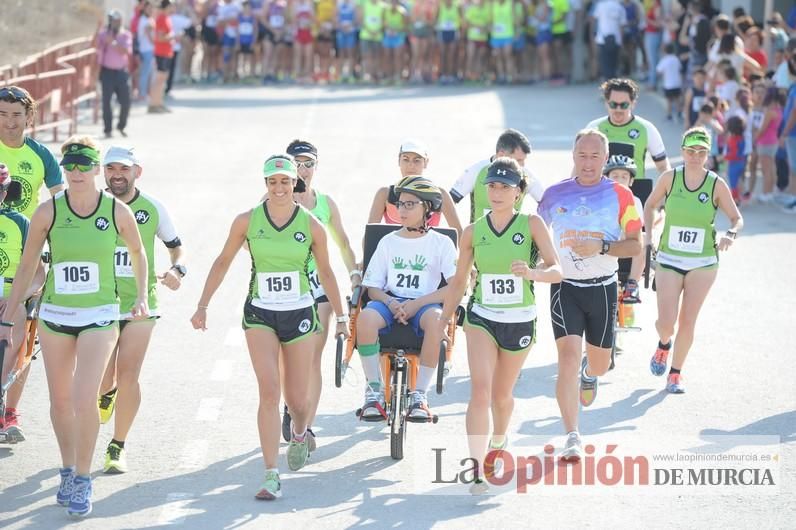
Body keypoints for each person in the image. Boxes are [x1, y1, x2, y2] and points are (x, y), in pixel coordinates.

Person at [0, 136, 149, 517]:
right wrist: (8, 317)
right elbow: (27, 267)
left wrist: (141, 296)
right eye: (70, 165)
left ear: (97, 169)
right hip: (55, 317)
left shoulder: (115, 211)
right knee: (60, 402)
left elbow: (138, 251)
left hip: (99, 315)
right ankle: (68, 468)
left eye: (84, 165)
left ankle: (83, 478)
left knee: (85, 400)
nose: (77, 172)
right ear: (64, 169)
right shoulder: (48, 212)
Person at [190, 155, 348, 500]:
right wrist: (202, 305)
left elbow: (327, 273)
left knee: (298, 398)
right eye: (272, 182)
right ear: (265, 185)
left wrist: (341, 316)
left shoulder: (311, 225)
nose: (278, 188)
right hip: (260, 313)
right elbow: (222, 261)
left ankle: (301, 431)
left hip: (300, 314)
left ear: (295, 185)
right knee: (269, 392)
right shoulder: (247, 221)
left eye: (285, 182)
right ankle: (270, 474)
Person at [438, 158, 561, 494]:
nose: (496, 192)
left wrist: (532, 273)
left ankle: (499, 438)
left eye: (505, 186)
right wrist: (443, 319)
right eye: (492, 185)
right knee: (480, 391)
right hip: (482, 317)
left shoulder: (532, 224)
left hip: (519, 320)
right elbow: (460, 280)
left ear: (519, 193)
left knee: (501, 396)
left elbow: (557, 270)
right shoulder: (472, 232)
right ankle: (477, 468)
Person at [537, 129, 642, 462]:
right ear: (573, 155)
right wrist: (537, 263)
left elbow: (635, 245)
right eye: (582, 155)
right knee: (566, 357)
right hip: (565, 288)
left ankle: (590, 373)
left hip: (603, 288)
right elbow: (534, 237)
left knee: (598, 364)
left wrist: (602, 246)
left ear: (605, 158)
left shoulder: (622, 195)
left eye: (595, 156)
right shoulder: (554, 195)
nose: (588, 162)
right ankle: (572, 435)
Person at [96, 145, 185, 474]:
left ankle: (117, 445)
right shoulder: (93, 205)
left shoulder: (152, 208)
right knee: (104, 375)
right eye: (111, 169)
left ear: (137, 171)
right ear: (103, 171)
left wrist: (178, 271)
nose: (117, 175)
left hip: (140, 304)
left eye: (124, 168)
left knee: (130, 373)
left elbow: (177, 249)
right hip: (99, 304)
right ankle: (107, 392)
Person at [644, 127, 743, 393]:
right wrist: (648, 236)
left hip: (703, 262)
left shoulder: (716, 184)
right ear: (683, 151)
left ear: (707, 154)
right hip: (669, 258)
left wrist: (731, 234)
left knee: (688, 320)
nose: (695, 156)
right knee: (666, 323)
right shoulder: (670, 178)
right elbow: (650, 204)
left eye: (701, 152)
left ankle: (675, 374)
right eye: (690, 151)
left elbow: (736, 217)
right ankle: (664, 344)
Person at [278, 140, 360, 449]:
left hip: (318, 287)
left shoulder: (325, 204)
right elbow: (250, 240)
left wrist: (354, 276)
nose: (302, 169)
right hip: (285, 290)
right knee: (287, 361)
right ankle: (292, 406)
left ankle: (307, 427)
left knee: (312, 359)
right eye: (296, 163)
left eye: (308, 163)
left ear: (316, 166)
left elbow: (344, 243)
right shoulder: (273, 197)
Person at [357, 177, 456, 420]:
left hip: (424, 304)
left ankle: (420, 395)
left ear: (427, 209)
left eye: (410, 204)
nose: (402, 210)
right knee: (366, 318)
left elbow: (455, 287)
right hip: (390, 301)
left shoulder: (441, 243)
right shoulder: (388, 242)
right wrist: (391, 302)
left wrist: (416, 304)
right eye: (400, 204)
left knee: (436, 319)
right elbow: (372, 288)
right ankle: (374, 392)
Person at [0, 163, 45, 444]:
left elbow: (39, 273)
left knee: (15, 312)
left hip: (11, 299)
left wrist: (16, 296)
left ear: (6, 192)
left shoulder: (20, 223)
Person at [585, 78, 669, 200]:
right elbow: (580, 165)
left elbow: (663, 167)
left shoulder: (647, 128)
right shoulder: (594, 128)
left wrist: (664, 196)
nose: (618, 109)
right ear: (606, 103)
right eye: (613, 104)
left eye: (624, 105)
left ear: (633, 103)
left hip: (636, 193)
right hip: (600, 193)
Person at [367, 140, 462, 234]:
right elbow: (368, 238)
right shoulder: (384, 194)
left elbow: (459, 235)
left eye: (417, 160)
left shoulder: (439, 194)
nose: (411, 165)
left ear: (426, 163)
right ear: (398, 161)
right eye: (405, 159)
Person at [451, 129, 544, 223]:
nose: (523, 165)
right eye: (518, 160)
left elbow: (548, 202)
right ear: (501, 155)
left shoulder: (525, 174)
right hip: (479, 236)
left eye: (524, 160)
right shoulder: (476, 171)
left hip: (511, 236)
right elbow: (448, 201)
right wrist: (459, 231)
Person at [0, 86, 65, 221]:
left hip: (28, 238)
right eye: (3, 114)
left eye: (16, 115)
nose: (10, 122)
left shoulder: (43, 155)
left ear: (29, 117)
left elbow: (60, 203)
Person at [603, 154, 644, 303]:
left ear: (631, 181)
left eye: (624, 177)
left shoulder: (635, 201)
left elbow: (636, 230)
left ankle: (632, 285)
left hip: (626, 242)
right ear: (606, 178)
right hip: (604, 242)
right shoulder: (601, 199)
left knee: (642, 240)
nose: (619, 181)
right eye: (615, 176)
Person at [95, 9, 133, 139]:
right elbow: (94, 46)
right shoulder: (103, 34)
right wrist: (98, 31)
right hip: (107, 72)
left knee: (126, 101)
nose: (114, 23)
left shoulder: (126, 35)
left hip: (121, 72)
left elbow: (125, 51)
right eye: (112, 20)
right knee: (106, 102)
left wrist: (112, 42)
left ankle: (121, 126)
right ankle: (108, 129)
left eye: (116, 20)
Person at [753, 88, 784, 203]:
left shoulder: (770, 111)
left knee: (766, 170)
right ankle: (771, 192)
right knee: (771, 168)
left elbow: (762, 128)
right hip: (773, 141)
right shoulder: (778, 110)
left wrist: (754, 138)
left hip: (765, 142)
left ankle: (766, 193)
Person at [149, 0, 176, 113]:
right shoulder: (161, 18)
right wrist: (171, 36)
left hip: (167, 52)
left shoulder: (166, 18)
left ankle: (159, 103)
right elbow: (159, 38)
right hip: (161, 52)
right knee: (159, 79)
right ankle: (153, 104)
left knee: (163, 79)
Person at [592, 0, 626, 81]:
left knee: (604, 60)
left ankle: (607, 78)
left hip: (602, 38)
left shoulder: (600, 5)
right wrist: (622, 41)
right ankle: (613, 78)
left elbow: (594, 20)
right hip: (616, 38)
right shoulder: (620, 7)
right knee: (614, 61)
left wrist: (594, 34)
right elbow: (622, 26)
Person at [657, 43, 682, 121]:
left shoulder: (664, 60)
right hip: (677, 83)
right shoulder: (676, 59)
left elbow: (658, 70)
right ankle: (679, 112)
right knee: (677, 98)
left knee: (669, 100)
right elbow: (680, 68)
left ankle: (669, 114)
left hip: (668, 84)